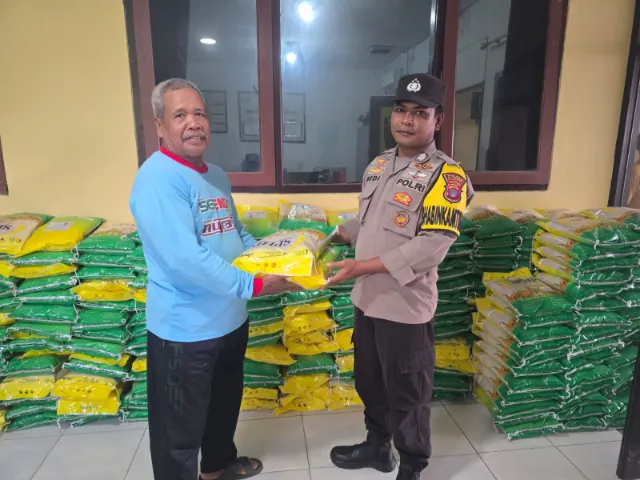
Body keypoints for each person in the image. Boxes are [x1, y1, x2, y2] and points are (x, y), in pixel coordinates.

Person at [129, 78, 293, 480]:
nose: (193, 122)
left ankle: (217, 469)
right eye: (180, 115)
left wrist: (278, 258)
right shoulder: (157, 180)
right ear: (160, 125)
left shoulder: (215, 175)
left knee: (223, 408)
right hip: (184, 332)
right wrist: (253, 285)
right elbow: (182, 258)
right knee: (178, 433)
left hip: (230, 321)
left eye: (199, 113)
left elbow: (236, 234)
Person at [326, 73, 475, 480]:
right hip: (367, 299)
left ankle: (411, 464)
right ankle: (378, 447)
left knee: (408, 394)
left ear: (437, 120)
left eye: (420, 113)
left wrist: (362, 266)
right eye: (401, 110)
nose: (407, 120)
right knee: (369, 382)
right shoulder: (379, 165)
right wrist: (335, 235)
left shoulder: (448, 177)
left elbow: (432, 246)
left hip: (405, 307)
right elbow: (371, 223)